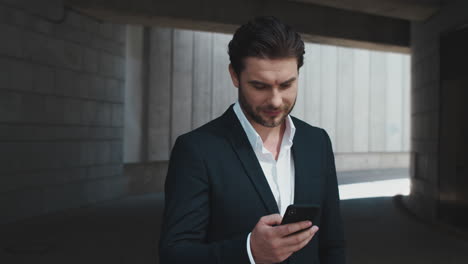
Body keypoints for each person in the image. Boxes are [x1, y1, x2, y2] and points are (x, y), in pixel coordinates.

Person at [159, 16, 345, 264]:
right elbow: (175, 255)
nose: (276, 101)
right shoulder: (196, 150)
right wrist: (249, 252)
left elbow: (332, 244)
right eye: (260, 86)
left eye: (287, 84)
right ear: (235, 76)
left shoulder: (317, 142)